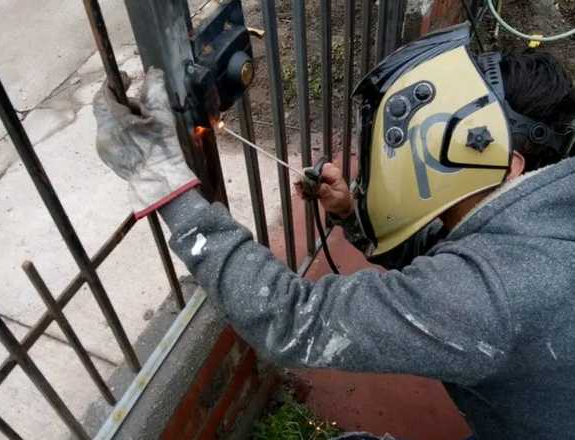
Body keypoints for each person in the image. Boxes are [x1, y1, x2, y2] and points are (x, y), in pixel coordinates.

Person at [93, 23, 575, 440]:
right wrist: (351, 213)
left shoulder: (494, 298)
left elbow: (291, 319)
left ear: (503, 163)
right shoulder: (548, 214)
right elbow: (459, 270)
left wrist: (166, 187)